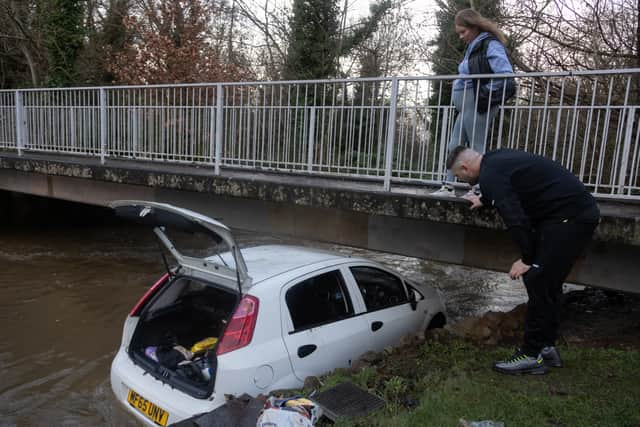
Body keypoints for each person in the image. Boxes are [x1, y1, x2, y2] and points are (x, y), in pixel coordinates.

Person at [447, 145, 600, 375]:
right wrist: (486, 199)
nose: (462, 180)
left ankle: (531, 354)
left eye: (459, 176)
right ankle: (546, 348)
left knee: (537, 278)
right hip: (569, 215)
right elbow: (511, 190)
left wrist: (528, 259)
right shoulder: (495, 159)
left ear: (466, 167)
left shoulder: (490, 175)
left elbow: (516, 220)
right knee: (547, 284)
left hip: (570, 219)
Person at [432, 8, 514, 197]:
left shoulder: (489, 44)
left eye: (463, 31)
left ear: (474, 26)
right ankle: (448, 187)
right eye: (459, 32)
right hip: (467, 105)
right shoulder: (476, 44)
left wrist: (485, 94)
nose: (461, 37)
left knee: (477, 146)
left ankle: (479, 190)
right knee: (455, 144)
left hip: (476, 103)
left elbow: (505, 74)